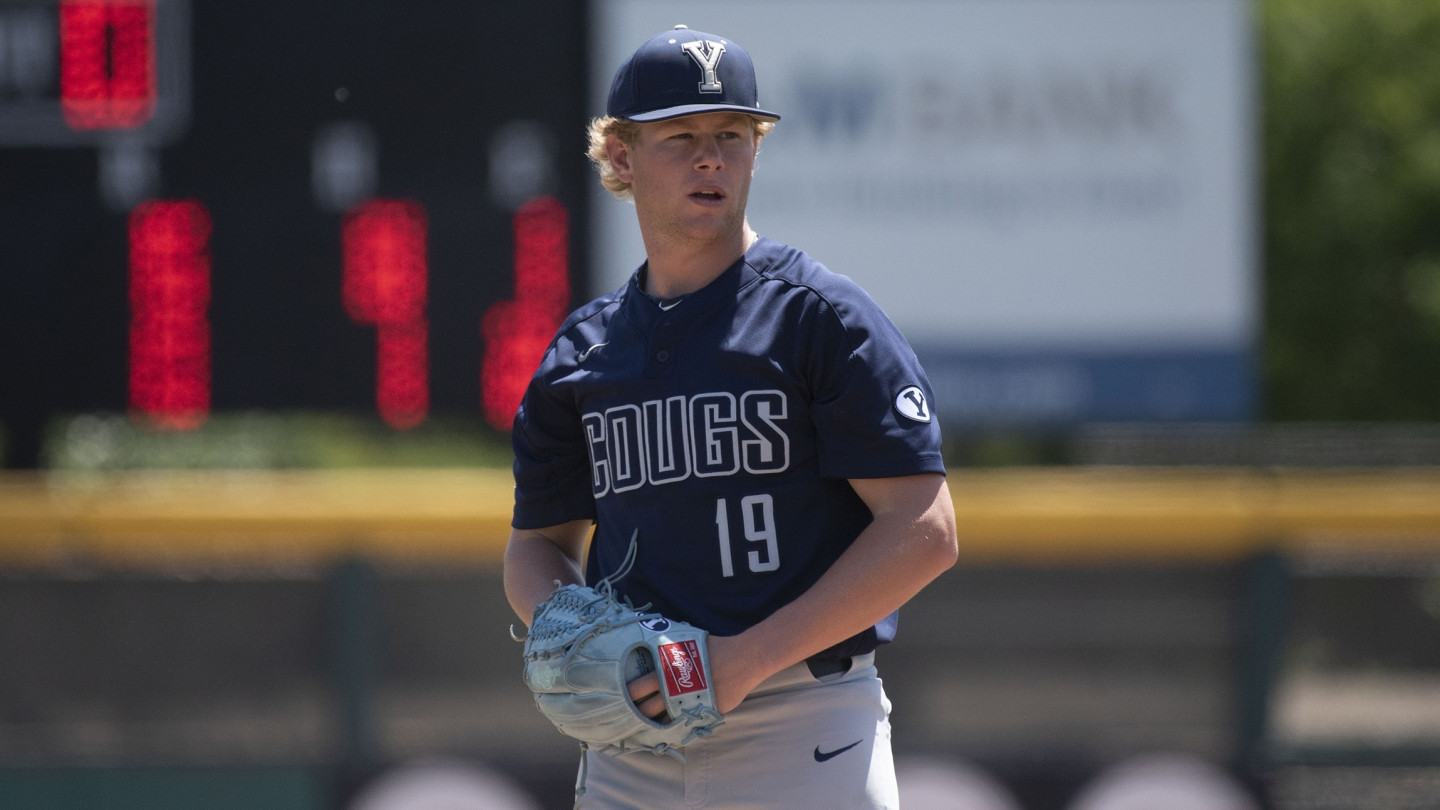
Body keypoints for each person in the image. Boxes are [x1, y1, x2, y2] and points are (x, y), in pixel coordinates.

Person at [503, 24, 958, 809]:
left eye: (732, 134)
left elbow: (926, 530)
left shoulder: (820, 319)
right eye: (680, 136)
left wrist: (740, 661)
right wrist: (579, 635)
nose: (710, 156)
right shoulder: (583, 351)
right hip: (632, 732)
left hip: (805, 722)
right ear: (619, 156)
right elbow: (538, 546)